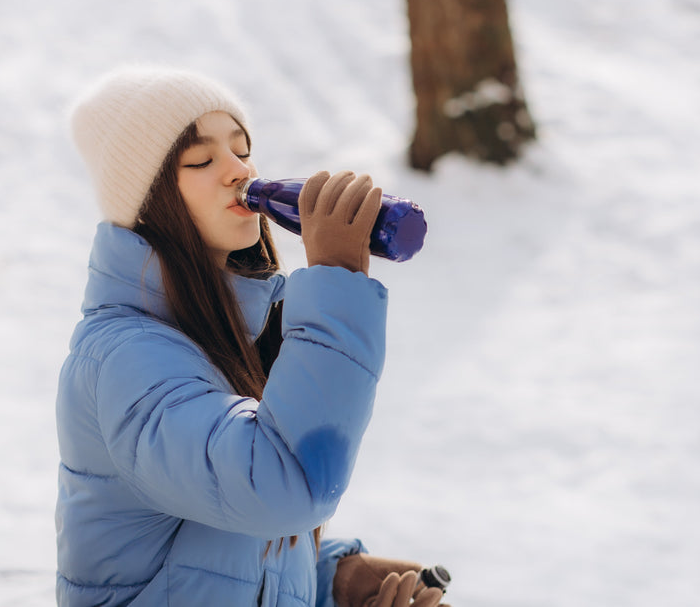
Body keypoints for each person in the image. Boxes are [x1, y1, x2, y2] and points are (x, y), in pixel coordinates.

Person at [55, 67, 448, 607]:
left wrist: (337, 581)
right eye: (201, 159)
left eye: (242, 150)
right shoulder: (129, 358)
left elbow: (209, 554)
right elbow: (280, 484)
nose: (238, 170)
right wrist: (335, 278)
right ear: (146, 201)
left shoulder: (229, 333)